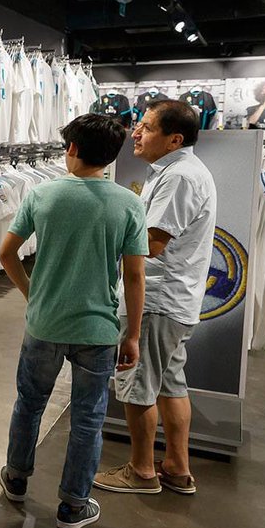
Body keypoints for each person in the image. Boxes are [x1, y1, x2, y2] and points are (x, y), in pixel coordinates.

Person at [0, 114, 147, 528]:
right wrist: (131, 333)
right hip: (98, 330)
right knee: (88, 417)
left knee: (29, 405)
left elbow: (7, 253)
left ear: (74, 149)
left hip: (44, 324)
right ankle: (73, 505)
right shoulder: (129, 203)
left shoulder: (42, 194)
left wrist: (33, 295)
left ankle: (16, 478)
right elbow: (135, 276)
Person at [94, 100, 216, 496]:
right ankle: (177, 468)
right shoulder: (175, 171)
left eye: (146, 127)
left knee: (137, 384)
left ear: (174, 139)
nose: (136, 132)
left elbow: (152, 242)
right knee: (170, 384)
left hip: (157, 300)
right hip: (173, 300)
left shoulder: (179, 176)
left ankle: (142, 471)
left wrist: (101, 241)